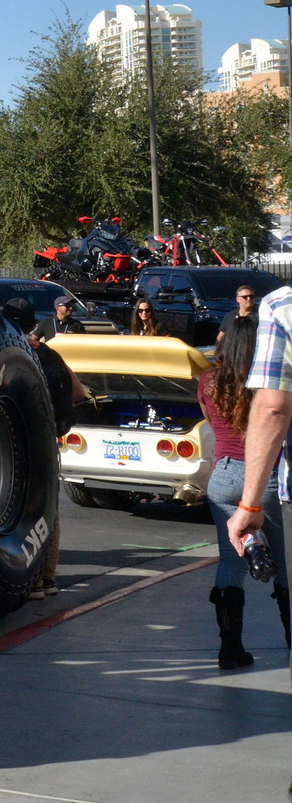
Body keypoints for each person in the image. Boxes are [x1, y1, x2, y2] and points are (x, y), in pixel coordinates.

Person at [226, 282, 292, 799]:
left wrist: (250, 504)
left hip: (243, 477)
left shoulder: (284, 307)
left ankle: (231, 641)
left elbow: (272, 408)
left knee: (243, 568)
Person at [199, 312, 287, 667]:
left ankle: (229, 647)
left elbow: (209, 420)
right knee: (284, 563)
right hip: (263, 478)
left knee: (230, 563)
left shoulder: (208, 381)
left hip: (223, 476)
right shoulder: (266, 383)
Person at [3, 298, 87, 598]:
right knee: (48, 509)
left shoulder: (11, 351)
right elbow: (78, 392)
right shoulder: (50, 354)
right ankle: (46, 579)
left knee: (20, 507)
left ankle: (32, 578)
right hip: (50, 440)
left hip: (18, 441)